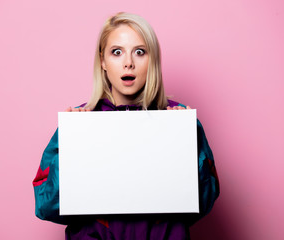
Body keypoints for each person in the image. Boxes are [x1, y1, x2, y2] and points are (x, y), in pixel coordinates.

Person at [33, 12, 219, 240]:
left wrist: (187, 142)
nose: (128, 62)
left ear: (152, 59)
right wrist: (71, 148)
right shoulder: (79, 122)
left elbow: (203, 202)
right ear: (102, 61)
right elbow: (45, 205)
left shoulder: (179, 119)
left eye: (139, 52)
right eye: (117, 52)